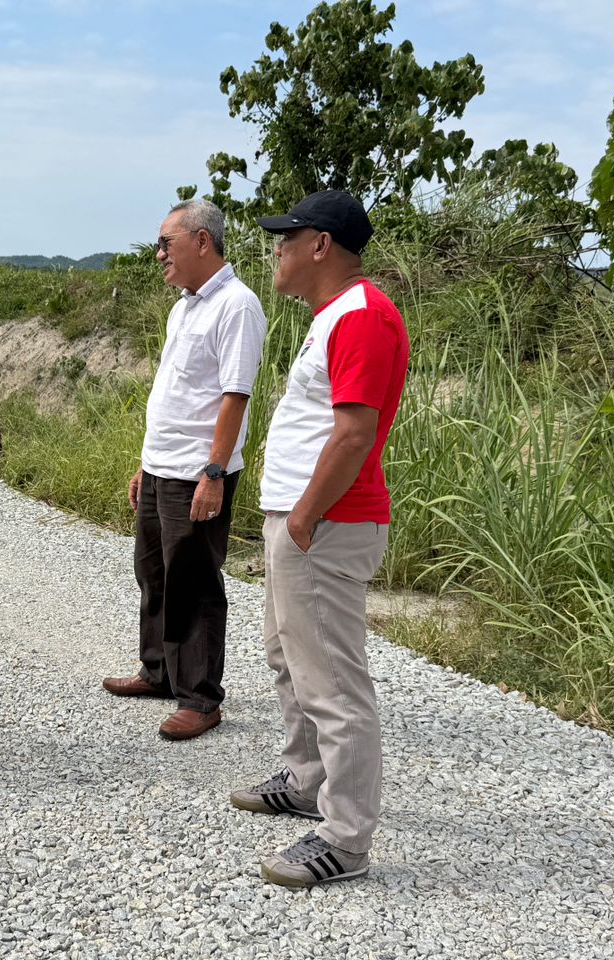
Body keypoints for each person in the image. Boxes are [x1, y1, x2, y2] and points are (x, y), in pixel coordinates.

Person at [229, 190, 409, 887]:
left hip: (326, 523)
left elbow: (355, 433)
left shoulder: (362, 315)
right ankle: (307, 780)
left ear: (321, 245)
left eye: (287, 238)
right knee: (291, 659)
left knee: (332, 681)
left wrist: (304, 517)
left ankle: (346, 837)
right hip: (304, 519)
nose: (277, 250)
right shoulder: (332, 315)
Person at [102, 199, 267, 741]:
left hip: (198, 472)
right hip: (161, 467)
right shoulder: (184, 307)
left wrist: (214, 473)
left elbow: (235, 396)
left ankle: (200, 697)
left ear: (201, 240)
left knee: (193, 581)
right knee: (153, 572)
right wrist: (144, 464)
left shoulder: (237, 306)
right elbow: (176, 393)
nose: (158, 254)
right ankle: (159, 672)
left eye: (165, 243)